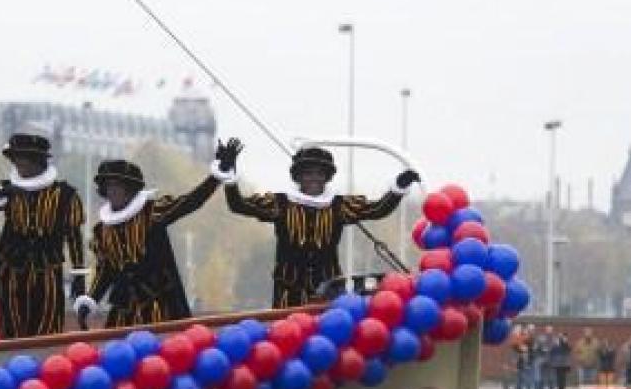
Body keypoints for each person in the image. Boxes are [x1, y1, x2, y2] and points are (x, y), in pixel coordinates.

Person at [224, 144, 419, 307]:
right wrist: (229, 177)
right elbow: (238, 205)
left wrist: (398, 188)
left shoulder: (339, 206)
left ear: (327, 177)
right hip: (288, 289)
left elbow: (378, 210)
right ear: (298, 177)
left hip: (329, 288)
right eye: (308, 173)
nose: (314, 179)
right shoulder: (280, 204)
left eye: (320, 174)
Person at [73, 141, 235, 328]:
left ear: (131, 189)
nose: (113, 191)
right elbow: (105, 271)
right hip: (124, 310)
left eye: (118, 186)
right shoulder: (101, 231)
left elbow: (189, 202)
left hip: (160, 305)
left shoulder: (152, 212)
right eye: (109, 186)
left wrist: (216, 177)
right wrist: (90, 300)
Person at [0, 133, 84, 338]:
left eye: (24, 161)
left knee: (47, 326)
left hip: (47, 270)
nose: (19, 166)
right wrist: (1, 194)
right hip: (12, 269)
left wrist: (78, 275)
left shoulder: (66, 195)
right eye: (16, 161)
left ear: (38, 162)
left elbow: (74, 236)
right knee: (11, 325)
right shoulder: (8, 190)